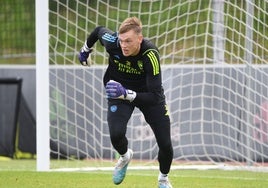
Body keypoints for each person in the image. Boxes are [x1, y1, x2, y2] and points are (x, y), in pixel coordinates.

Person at [78, 17, 173, 188]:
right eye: (122, 41)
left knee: (165, 144)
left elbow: (154, 96)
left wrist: (128, 94)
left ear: (140, 39)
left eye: (128, 41)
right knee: (116, 134)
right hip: (118, 91)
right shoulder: (112, 42)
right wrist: (86, 49)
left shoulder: (150, 54)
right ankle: (124, 156)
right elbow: (98, 30)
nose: (124, 45)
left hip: (147, 95)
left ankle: (163, 179)